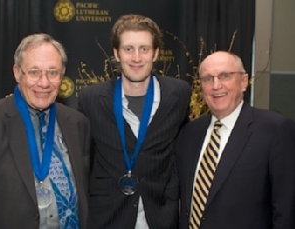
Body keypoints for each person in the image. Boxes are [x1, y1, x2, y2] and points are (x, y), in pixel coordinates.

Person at [0, 33, 91, 229]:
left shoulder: (77, 123)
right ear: (17, 73)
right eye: (34, 72)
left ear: (62, 74)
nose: (44, 83)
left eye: (52, 72)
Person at [78, 14, 191, 229]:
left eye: (144, 49)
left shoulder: (179, 94)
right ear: (116, 53)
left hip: (161, 216)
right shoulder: (91, 99)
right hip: (108, 217)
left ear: (156, 53)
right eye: (128, 49)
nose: (136, 58)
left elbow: (183, 149)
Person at [175, 51, 295, 229]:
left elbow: (287, 211)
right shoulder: (189, 133)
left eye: (225, 76)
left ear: (244, 81)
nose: (216, 85)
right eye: (208, 78)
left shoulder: (275, 130)